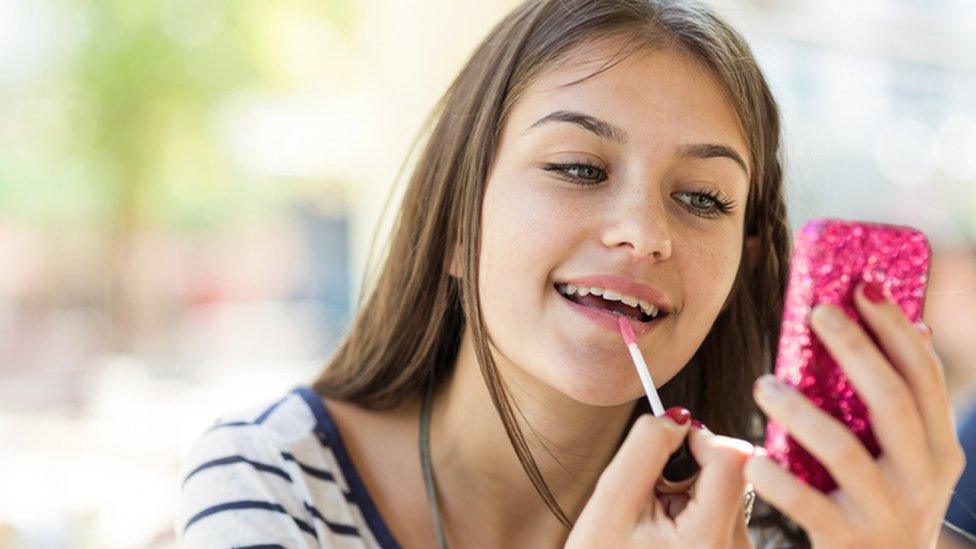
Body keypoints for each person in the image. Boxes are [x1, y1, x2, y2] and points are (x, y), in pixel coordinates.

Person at [176, 0, 965, 547]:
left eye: (701, 197)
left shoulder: (783, 523)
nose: (643, 234)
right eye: (580, 167)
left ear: (745, 264)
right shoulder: (276, 482)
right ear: (456, 222)